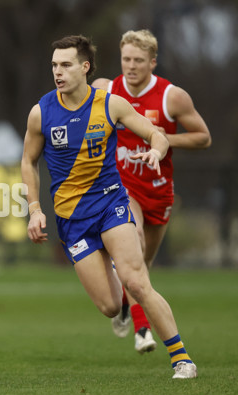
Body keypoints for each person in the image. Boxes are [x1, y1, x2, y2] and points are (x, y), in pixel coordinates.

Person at [20, 35, 197, 379]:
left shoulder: (110, 104)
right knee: (109, 306)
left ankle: (181, 358)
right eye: (54, 65)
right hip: (72, 218)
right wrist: (34, 209)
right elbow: (28, 161)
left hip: (112, 203)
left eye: (66, 64)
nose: (58, 71)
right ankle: (120, 293)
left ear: (85, 67)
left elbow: (156, 134)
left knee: (138, 280)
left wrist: (157, 151)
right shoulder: (41, 112)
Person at [91, 29, 211, 354]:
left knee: (142, 264)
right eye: (126, 59)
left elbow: (203, 137)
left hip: (159, 190)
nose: (130, 66)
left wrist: (160, 139)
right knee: (134, 244)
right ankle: (142, 332)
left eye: (138, 60)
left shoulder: (172, 96)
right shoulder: (107, 90)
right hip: (121, 187)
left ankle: (128, 307)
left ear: (152, 62)